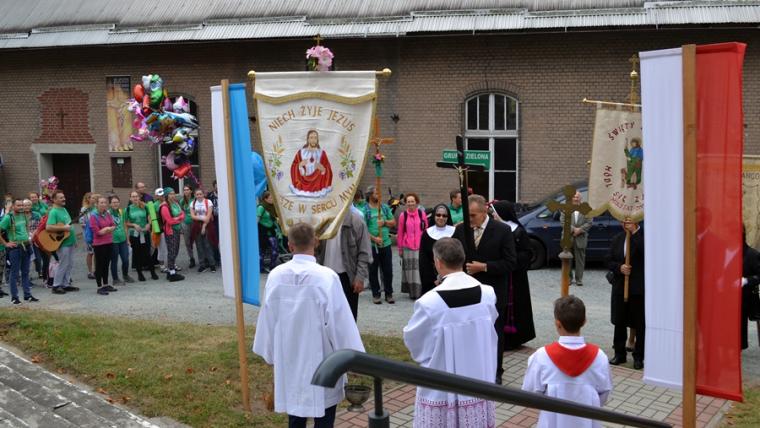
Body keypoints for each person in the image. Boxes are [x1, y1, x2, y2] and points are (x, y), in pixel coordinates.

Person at [253, 222, 364, 428]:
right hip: (323, 361)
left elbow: (268, 318)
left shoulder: (276, 276)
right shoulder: (326, 277)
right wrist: (353, 358)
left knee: (296, 415)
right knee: (324, 417)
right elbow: (340, 323)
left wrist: (269, 353)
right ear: (316, 242)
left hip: (290, 358)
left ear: (290, 245)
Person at [404, 237, 498, 427]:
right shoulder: (487, 293)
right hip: (479, 377)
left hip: (442, 382)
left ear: (438, 262)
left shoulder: (430, 302)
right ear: (462, 259)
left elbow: (414, 342)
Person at [453, 194, 516, 384]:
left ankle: (496, 371)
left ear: (484, 212)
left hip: (494, 291)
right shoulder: (461, 229)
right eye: (467, 215)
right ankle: (471, 369)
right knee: (469, 332)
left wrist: (485, 267)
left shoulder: (503, 230)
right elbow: (453, 256)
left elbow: (511, 263)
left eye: (473, 215)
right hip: (467, 292)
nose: (469, 219)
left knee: (494, 332)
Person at [522, 295, 613, 428]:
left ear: (557, 323)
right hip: (587, 421)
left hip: (552, 421)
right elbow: (604, 392)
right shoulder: (600, 357)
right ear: (584, 321)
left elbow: (529, 393)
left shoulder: (541, 356)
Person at [493, 200, 536, 349]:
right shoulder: (497, 229)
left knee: (517, 307)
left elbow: (528, 253)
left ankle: (516, 339)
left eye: (495, 213)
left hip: (516, 277)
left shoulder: (519, 231)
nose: (493, 215)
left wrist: (511, 260)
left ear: (502, 214)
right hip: (501, 273)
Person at [317, 209, 372, 320]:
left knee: (348, 317)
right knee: (325, 317)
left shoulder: (356, 221)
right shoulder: (322, 220)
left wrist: (360, 277)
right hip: (324, 276)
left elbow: (364, 252)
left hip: (347, 277)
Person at [607, 217, 645, 369]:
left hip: (637, 288)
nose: (625, 224)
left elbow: (646, 253)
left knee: (639, 323)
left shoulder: (644, 237)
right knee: (619, 321)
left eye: (629, 221)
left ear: (636, 221)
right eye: (623, 221)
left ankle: (638, 356)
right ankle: (619, 353)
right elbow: (608, 260)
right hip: (620, 286)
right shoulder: (618, 238)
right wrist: (619, 267)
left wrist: (634, 233)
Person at [363, 185, 396, 304]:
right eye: (376, 193)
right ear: (369, 195)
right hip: (372, 246)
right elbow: (363, 229)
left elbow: (393, 222)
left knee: (388, 270)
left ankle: (389, 293)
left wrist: (384, 222)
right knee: (373, 271)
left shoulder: (384, 208)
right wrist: (374, 239)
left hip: (386, 244)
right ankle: (376, 294)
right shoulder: (365, 210)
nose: (379, 195)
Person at [0, 199, 37, 304]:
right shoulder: (8, 217)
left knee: (25, 272)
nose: (21, 207)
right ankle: (14, 297)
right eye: (18, 205)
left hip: (26, 245)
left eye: (22, 205)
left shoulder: (24, 215)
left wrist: (28, 237)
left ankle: (27, 295)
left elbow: (26, 227)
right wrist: (6, 243)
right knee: (14, 273)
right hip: (15, 248)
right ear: (13, 206)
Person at [397, 193, 428, 300]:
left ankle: (420, 291)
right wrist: (400, 249)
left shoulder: (421, 214)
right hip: (407, 247)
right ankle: (412, 292)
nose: (410, 203)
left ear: (416, 202)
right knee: (410, 272)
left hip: (420, 247)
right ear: (406, 203)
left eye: (412, 201)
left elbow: (426, 230)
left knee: (419, 270)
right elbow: (400, 233)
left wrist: (426, 246)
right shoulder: (403, 216)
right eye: (408, 201)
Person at [419, 204, 455, 296]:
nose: (441, 218)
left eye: (444, 215)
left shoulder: (454, 232)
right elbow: (423, 260)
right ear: (434, 216)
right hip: (432, 279)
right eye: (438, 215)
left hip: (451, 277)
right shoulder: (427, 234)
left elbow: (458, 257)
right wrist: (433, 279)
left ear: (448, 217)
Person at [47, 190, 78, 294]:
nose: (64, 199)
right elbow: (49, 227)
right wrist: (64, 228)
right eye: (61, 198)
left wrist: (75, 239)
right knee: (63, 264)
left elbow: (69, 225)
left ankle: (65, 284)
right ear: (54, 200)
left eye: (63, 197)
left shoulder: (64, 209)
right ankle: (56, 285)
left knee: (70, 264)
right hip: (62, 242)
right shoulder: (53, 212)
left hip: (70, 240)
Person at [560, 191, 592, 287]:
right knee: (567, 259)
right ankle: (568, 279)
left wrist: (580, 230)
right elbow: (563, 222)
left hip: (581, 237)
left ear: (580, 198)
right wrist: (574, 229)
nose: (575, 198)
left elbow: (589, 222)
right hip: (567, 237)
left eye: (577, 197)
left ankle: (579, 279)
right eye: (574, 197)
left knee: (580, 260)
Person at [290, 129, 333, 197]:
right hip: (302, 185)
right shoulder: (301, 153)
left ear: (317, 139)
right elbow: (293, 167)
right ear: (308, 139)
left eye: (315, 138)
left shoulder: (322, 153)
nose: (313, 140)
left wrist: (323, 169)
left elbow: (328, 170)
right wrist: (300, 165)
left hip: (317, 185)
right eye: (311, 137)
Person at [125, 191, 157, 281]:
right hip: (134, 235)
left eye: (136, 196)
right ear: (130, 198)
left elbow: (150, 217)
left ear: (139, 197)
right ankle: (140, 274)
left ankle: (153, 272)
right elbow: (126, 223)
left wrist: (148, 224)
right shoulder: (128, 209)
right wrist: (134, 225)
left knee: (147, 253)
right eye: (133, 196)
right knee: (137, 254)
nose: (135, 198)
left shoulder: (145, 206)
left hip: (145, 233)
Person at [90, 196, 117, 296]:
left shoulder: (107, 214)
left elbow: (113, 225)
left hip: (109, 242)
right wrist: (107, 229)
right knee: (99, 265)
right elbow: (97, 232)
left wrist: (107, 229)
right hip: (99, 244)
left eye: (105, 202)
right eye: (101, 202)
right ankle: (99, 287)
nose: (103, 204)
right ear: (96, 204)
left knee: (106, 264)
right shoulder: (93, 216)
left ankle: (105, 284)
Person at [160, 188, 185, 282]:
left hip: (177, 230)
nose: (173, 195)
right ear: (166, 195)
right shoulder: (164, 207)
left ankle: (170, 271)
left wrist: (177, 218)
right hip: (170, 231)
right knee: (172, 252)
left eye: (174, 193)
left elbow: (183, 214)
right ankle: (172, 273)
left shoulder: (176, 203)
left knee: (176, 250)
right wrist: (179, 218)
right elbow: (170, 221)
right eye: (170, 194)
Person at [742, 226, 760, 350]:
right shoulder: (724, 251)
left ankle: (740, 344)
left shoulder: (753, 255)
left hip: (747, 296)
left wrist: (746, 280)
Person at [109, 195, 133, 284]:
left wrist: (127, 239)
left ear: (119, 203)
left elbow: (125, 226)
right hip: (113, 241)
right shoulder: (108, 213)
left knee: (126, 259)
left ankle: (125, 275)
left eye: (117, 202)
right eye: (113, 202)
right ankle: (115, 279)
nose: (115, 204)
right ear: (110, 204)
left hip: (123, 240)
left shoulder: (122, 212)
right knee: (114, 261)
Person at [191, 189, 216, 273]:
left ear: (203, 194)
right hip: (197, 226)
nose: (199, 196)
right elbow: (192, 216)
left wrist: (204, 227)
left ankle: (212, 264)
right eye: (197, 194)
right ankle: (202, 265)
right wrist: (202, 218)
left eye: (200, 194)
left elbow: (208, 216)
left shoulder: (208, 202)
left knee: (208, 245)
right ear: (195, 195)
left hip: (207, 225)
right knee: (199, 246)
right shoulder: (193, 203)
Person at [257, 191, 280, 273]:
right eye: (271, 197)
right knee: (262, 251)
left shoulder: (272, 207)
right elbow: (256, 220)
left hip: (271, 231)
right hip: (262, 231)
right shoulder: (261, 207)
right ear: (265, 199)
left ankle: (272, 267)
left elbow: (275, 219)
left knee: (275, 251)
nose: (272, 199)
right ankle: (261, 268)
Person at [80, 192, 97, 280]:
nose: (94, 199)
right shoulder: (84, 209)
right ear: (88, 199)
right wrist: (89, 224)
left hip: (97, 233)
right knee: (90, 252)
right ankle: (90, 271)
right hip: (89, 233)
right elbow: (81, 222)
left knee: (96, 252)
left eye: (94, 198)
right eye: (92, 198)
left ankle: (96, 270)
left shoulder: (96, 208)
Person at [179, 185, 197, 268]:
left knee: (197, 240)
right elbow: (181, 211)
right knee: (187, 242)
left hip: (195, 222)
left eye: (187, 189)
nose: (186, 191)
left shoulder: (195, 200)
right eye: (184, 190)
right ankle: (191, 258)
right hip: (185, 223)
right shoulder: (182, 201)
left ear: (191, 191)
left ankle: (203, 258)